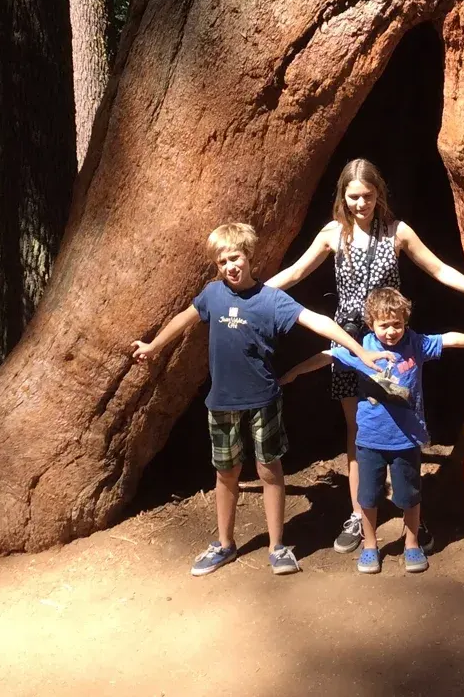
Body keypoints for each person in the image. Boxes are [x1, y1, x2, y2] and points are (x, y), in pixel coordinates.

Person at [266, 157, 464, 554]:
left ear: (378, 194)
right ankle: (358, 512)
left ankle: (410, 521)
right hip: (352, 342)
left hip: (393, 340)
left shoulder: (397, 232)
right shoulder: (333, 234)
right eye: (353, 196)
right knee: (359, 430)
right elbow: (296, 273)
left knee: (401, 421)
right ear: (342, 196)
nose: (360, 204)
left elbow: (438, 269)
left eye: (367, 196)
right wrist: (252, 295)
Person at [131, 221, 391, 577]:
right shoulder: (212, 295)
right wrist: (153, 346)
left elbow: (316, 321)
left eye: (234, 258)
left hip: (263, 401)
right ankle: (224, 543)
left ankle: (277, 546)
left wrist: (360, 351)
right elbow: (184, 319)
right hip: (221, 402)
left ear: (249, 256)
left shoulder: (271, 299)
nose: (230, 267)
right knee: (226, 474)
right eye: (222, 262)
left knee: (270, 471)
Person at [280, 286, 464, 573]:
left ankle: (412, 543)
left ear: (405, 322)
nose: (391, 331)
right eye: (384, 325)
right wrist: (295, 371)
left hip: (406, 439)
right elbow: (328, 355)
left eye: (397, 324)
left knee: (409, 496)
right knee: (369, 496)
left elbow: (448, 340)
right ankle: (370, 545)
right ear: (371, 324)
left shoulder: (415, 345)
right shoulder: (363, 349)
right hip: (370, 439)